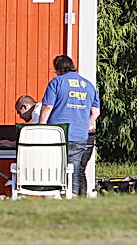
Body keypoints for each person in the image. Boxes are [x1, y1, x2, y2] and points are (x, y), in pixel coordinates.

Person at [39, 54, 100, 196]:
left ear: (58, 69)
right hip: (79, 136)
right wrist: (83, 126)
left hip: (57, 134)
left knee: (53, 169)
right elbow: (96, 112)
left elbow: (47, 106)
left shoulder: (57, 82)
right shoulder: (88, 85)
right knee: (74, 169)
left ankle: (52, 196)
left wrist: (41, 127)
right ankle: (72, 196)